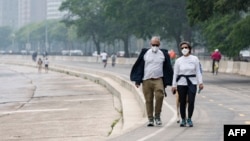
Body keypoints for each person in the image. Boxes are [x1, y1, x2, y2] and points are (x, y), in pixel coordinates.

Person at [130, 36, 173, 126]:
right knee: (148, 100)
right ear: (150, 44)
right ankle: (150, 119)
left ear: (159, 45)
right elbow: (139, 67)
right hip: (146, 80)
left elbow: (168, 68)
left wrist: (169, 81)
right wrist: (138, 81)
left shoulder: (163, 54)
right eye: (153, 44)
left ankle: (157, 116)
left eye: (156, 45)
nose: (155, 46)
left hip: (158, 79)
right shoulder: (145, 54)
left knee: (160, 96)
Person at [171, 41, 204, 127]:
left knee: (191, 101)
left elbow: (198, 71)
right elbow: (175, 73)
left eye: (186, 47)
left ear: (189, 49)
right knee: (182, 102)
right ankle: (183, 119)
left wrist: (200, 82)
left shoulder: (194, 59)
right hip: (181, 83)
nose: (184, 49)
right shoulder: (178, 60)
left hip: (192, 82)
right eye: (182, 48)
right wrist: (174, 85)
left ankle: (189, 118)